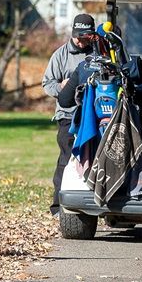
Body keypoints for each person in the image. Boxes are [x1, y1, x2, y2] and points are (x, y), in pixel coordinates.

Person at [42, 13, 95, 215]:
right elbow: (47, 84)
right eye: (79, 37)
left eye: (86, 38)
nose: (82, 42)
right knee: (67, 158)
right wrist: (63, 88)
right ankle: (58, 207)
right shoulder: (60, 55)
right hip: (68, 115)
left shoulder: (98, 53)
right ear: (73, 33)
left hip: (94, 114)